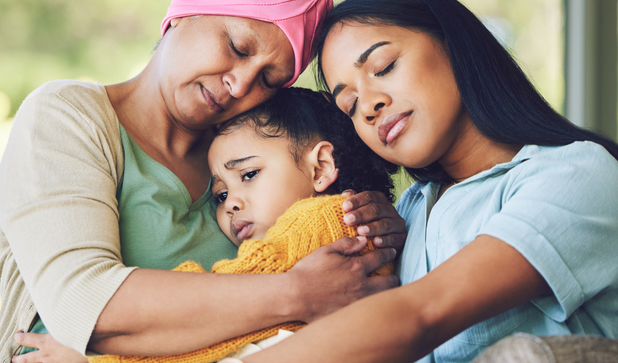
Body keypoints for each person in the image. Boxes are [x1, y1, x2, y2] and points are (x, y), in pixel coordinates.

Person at [0, 0, 404, 363]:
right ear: (187, 7)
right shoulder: (67, 117)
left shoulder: (253, 154)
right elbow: (88, 308)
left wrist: (375, 222)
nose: (241, 84)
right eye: (238, 47)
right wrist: (299, 292)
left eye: (267, 80)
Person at [219, 0, 618, 363]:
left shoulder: (577, 175)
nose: (368, 106)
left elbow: (422, 314)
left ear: (454, 45)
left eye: (383, 67)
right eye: (349, 105)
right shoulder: (411, 211)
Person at [88, 87, 398, 363]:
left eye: (249, 174)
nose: (230, 204)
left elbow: (203, 315)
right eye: (220, 195)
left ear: (321, 167)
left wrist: (97, 359)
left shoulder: (322, 221)